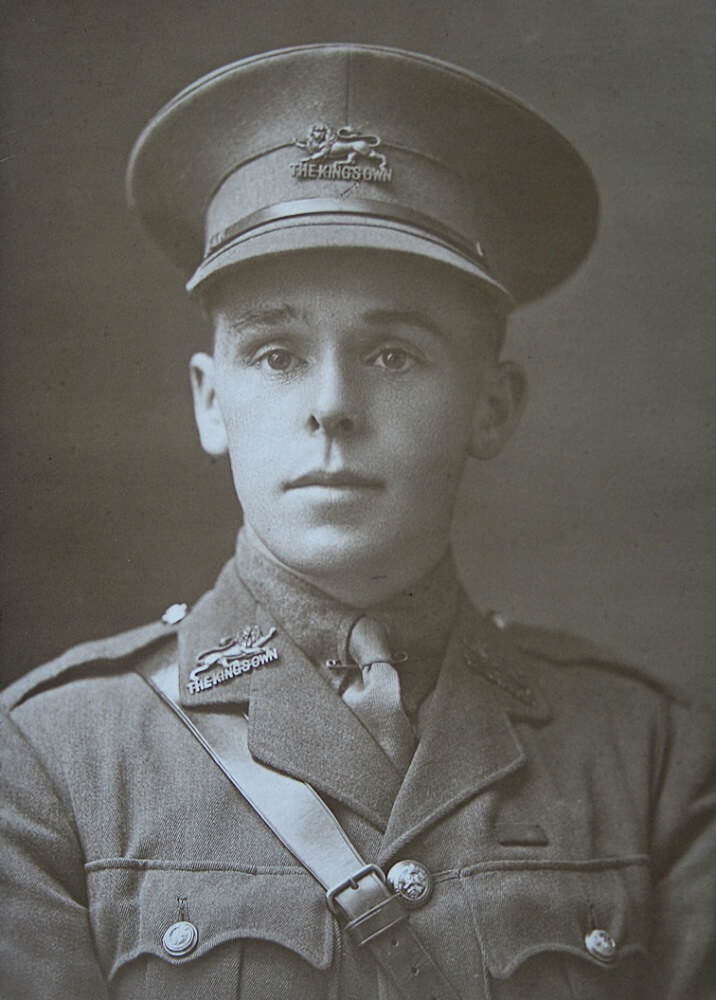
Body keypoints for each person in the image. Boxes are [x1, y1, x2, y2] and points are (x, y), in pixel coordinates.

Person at [0, 43, 713, 1000]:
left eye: (392, 356)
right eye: (277, 354)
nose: (331, 405)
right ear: (211, 404)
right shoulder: (53, 758)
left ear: (492, 406)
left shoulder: (649, 758)